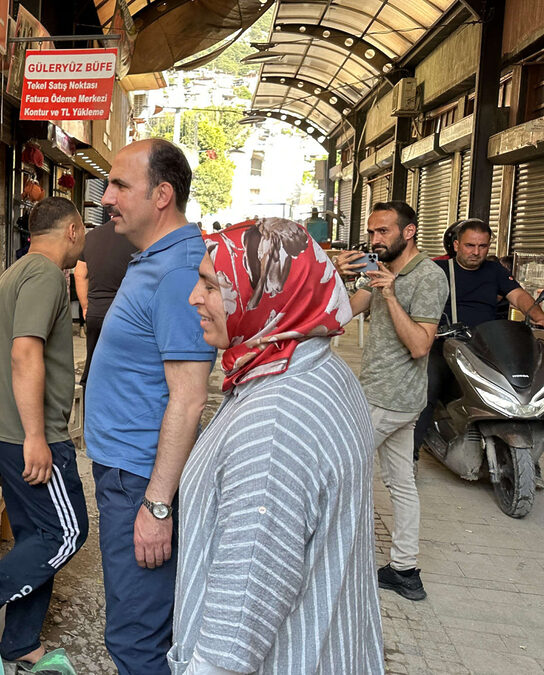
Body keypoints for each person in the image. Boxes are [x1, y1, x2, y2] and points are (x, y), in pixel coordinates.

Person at [169, 218, 383, 674]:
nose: (195, 298)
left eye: (211, 285)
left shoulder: (272, 426)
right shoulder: (315, 368)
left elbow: (233, 635)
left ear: (262, 294)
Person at [86, 139, 215, 674]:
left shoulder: (179, 273)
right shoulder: (156, 260)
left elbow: (189, 397)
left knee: (136, 640)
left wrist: (157, 507)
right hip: (128, 473)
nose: (106, 198)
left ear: (162, 195)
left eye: (119, 185)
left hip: (140, 479)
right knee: (138, 631)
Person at [0, 197, 90, 667]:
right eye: (84, 232)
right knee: (66, 535)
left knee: (37, 535)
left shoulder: (16, 271)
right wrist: (36, 436)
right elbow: (24, 352)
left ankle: (21, 642)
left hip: (3, 427)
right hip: (27, 432)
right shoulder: (47, 275)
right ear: (71, 230)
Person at [335, 201, 448, 602]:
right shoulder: (380, 271)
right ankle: (405, 569)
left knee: (339, 474)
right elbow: (341, 315)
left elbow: (420, 345)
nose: (374, 240)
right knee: (401, 483)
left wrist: (393, 295)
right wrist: (336, 275)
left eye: (383, 232)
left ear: (409, 231)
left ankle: (337, 564)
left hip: (390, 400)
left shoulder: (429, 278)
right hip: (384, 396)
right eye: (371, 232)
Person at [414, 219, 544, 451]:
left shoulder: (495, 270)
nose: (476, 252)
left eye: (482, 246)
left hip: (486, 344)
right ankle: (412, 454)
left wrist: (538, 315)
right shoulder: (438, 270)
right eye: (469, 246)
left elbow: (518, 296)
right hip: (447, 342)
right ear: (456, 245)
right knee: (430, 384)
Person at [73, 220, 137, 387]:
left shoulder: (91, 236)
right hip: (126, 314)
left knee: (93, 367)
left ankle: (89, 410)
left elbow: (79, 274)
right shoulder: (137, 236)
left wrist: (86, 306)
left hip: (96, 313)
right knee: (124, 373)